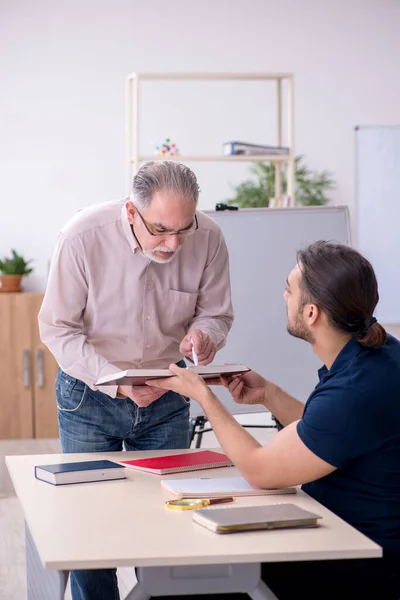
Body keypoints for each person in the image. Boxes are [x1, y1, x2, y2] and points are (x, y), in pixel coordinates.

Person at [150, 241, 400, 600]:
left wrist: (204, 396)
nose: (284, 297)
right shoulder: (376, 354)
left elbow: (259, 470)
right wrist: (268, 393)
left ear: (311, 312)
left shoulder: (354, 391)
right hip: (342, 536)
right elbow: (326, 434)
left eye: (289, 289)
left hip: (356, 562)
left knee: (188, 579)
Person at [38, 160, 234, 600]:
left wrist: (206, 335)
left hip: (167, 393)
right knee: (92, 525)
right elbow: (58, 329)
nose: (173, 243)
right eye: (161, 230)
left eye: (184, 229)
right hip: (90, 393)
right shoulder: (82, 237)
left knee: (170, 516)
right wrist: (116, 381)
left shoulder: (209, 237)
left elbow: (217, 312)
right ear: (131, 211)